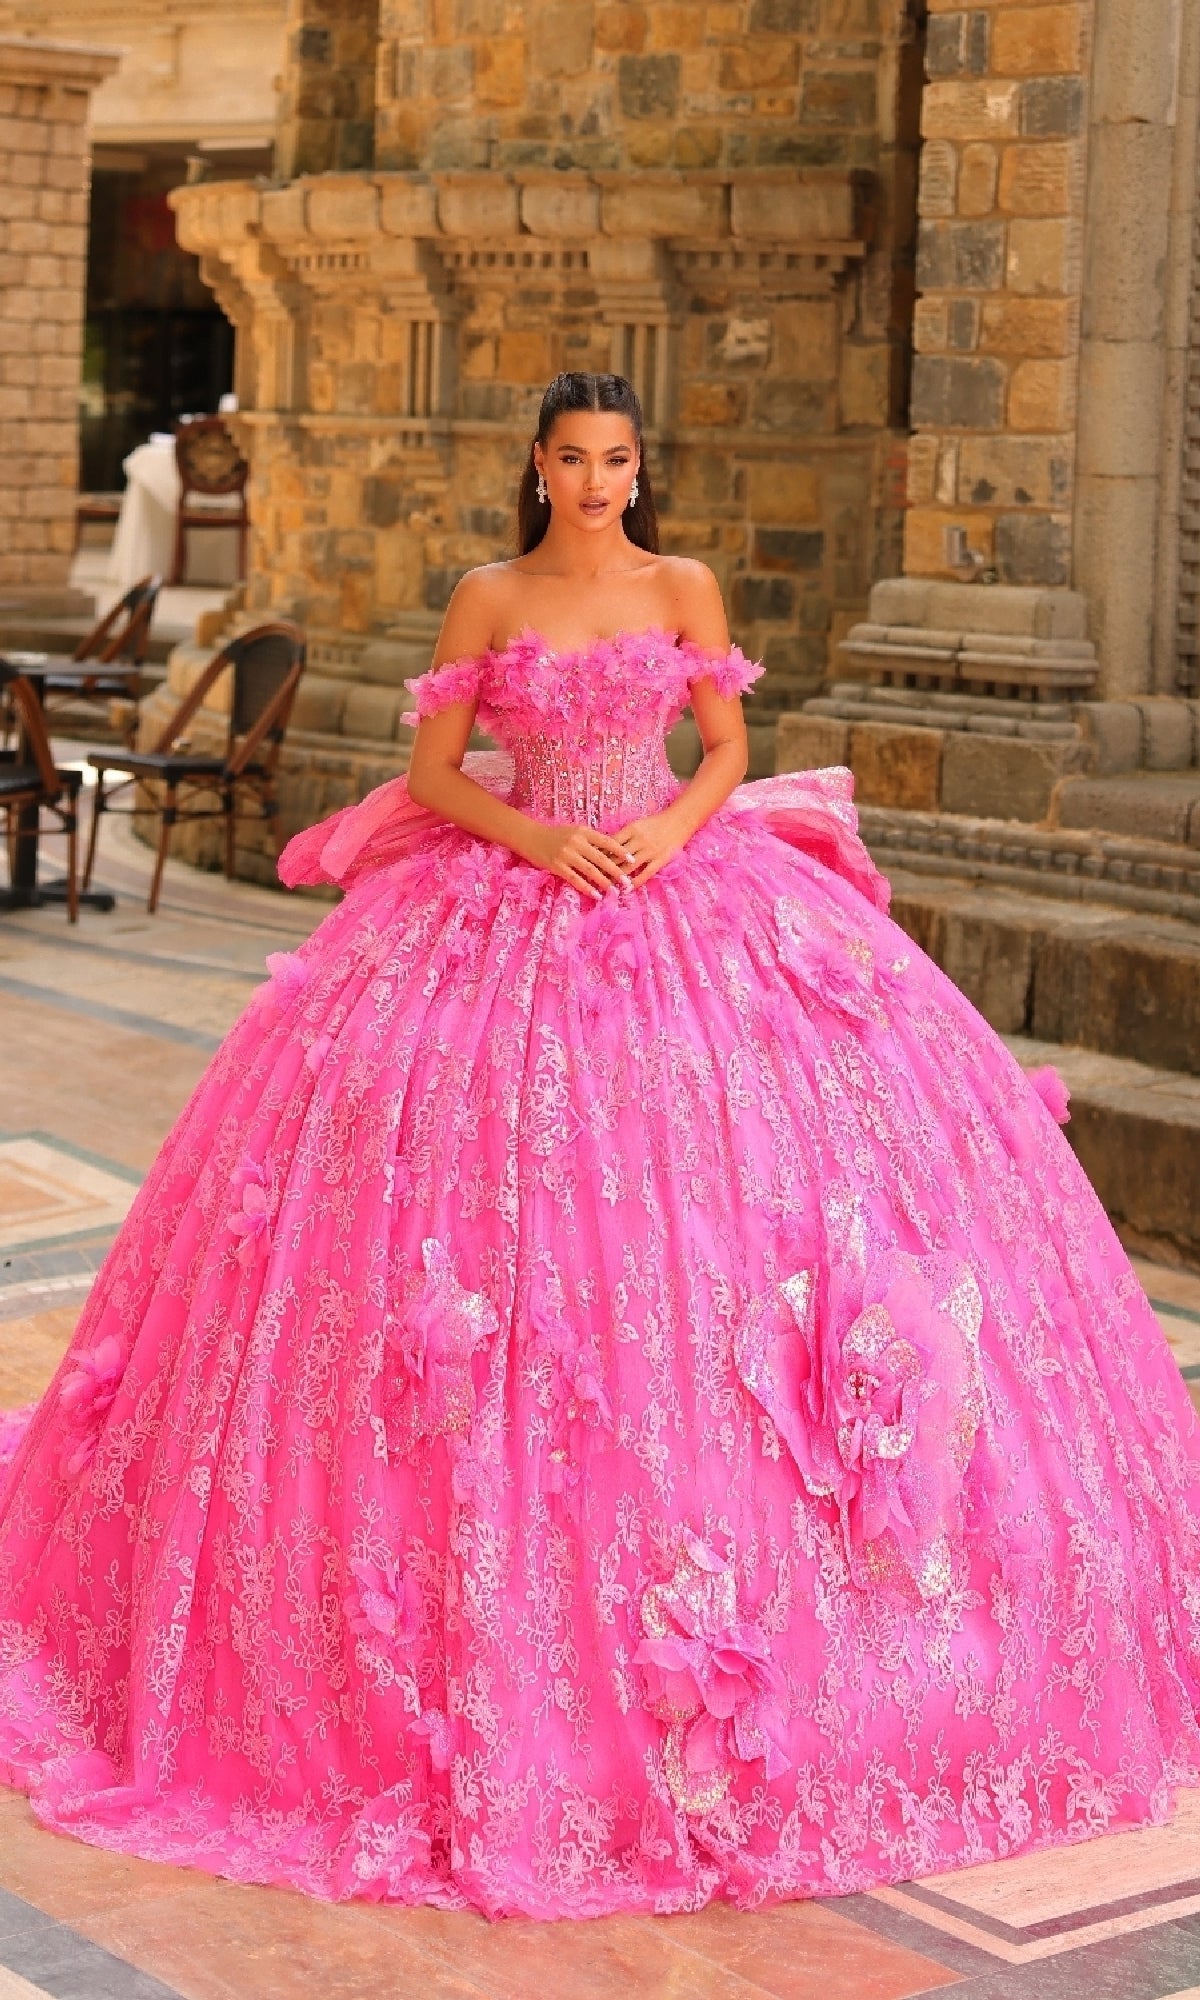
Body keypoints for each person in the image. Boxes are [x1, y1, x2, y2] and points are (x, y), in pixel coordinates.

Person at [0, 371, 1197, 1920]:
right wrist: (543, 837)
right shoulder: (486, 593)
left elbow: (721, 751)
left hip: (675, 889)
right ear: (539, 466)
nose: (596, 482)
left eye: (617, 460)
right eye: (572, 459)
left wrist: (663, 839)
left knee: (724, 1223)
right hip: (513, 889)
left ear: (641, 468)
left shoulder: (682, 582)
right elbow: (433, 778)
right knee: (483, 1227)